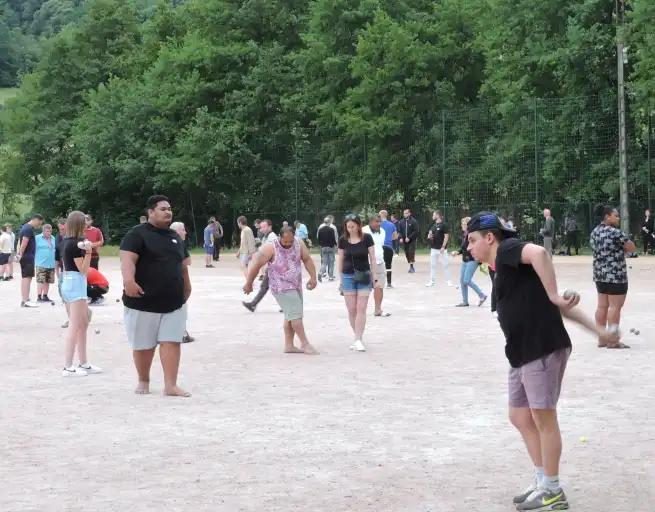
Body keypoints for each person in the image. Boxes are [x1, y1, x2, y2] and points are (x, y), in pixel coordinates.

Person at [466, 211, 619, 511]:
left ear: (489, 237)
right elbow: (557, 307)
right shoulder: (501, 267)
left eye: (472, 240)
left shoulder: (508, 249)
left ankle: (552, 490)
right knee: (520, 416)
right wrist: (597, 330)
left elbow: (540, 253)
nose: (469, 248)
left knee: (543, 419)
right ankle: (541, 479)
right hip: (521, 352)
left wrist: (553, 293)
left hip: (542, 347)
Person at [120, 195, 192, 397]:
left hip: (174, 300)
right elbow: (127, 259)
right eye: (163, 209)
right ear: (150, 212)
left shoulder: (175, 237)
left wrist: (187, 286)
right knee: (144, 345)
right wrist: (128, 281)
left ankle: (171, 385)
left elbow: (183, 265)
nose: (168, 212)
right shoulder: (137, 234)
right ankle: (143, 380)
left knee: (172, 341)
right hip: (143, 300)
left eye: (169, 208)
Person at [243, 226, 319, 354]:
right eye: (285, 242)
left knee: (290, 316)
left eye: (290, 241)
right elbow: (256, 265)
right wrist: (249, 283)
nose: (288, 244)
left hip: (295, 285)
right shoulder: (270, 247)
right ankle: (305, 343)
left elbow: (307, 259)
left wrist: (313, 277)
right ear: (280, 237)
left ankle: (289, 346)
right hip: (280, 287)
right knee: (295, 315)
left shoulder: (299, 243)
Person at [60, 211, 102, 377]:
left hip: (71, 282)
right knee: (75, 324)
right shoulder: (75, 243)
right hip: (75, 283)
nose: (87, 224)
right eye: (84, 222)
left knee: (83, 323)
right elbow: (83, 270)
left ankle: (83, 362)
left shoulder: (66, 241)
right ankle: (68, 366)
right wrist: (89, 252)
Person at [590, 206, 636, 349]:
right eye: (615, 215)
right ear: (607, 217)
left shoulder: (595, 232)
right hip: (616, 275)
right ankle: (612, 340)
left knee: (602, 306)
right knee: (615, 307)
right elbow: (631, 248)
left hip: (599, 274)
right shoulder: (616, 233)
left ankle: (602, 338)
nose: (618, 218)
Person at [337, 214, 378, 352]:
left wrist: (375, 276)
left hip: (364, 275)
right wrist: (341, 279)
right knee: (351, 309)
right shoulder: (343, 240)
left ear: (359, 225)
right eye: (348, 227)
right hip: (347, 276)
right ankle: (357, 336)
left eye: (353, 226)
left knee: (361, 308)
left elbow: (372, 258)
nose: (350, 229)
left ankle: (358, 339)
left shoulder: (367, 238)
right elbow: (340, 259)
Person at [242, 219, 278, 312]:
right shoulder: (266, 237)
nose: (261, 229)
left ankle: (253, 304)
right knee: (266, 286)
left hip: (276, 267)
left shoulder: (272, 237)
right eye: (261, 227)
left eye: (264, 227)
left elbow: (272, 251)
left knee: (270, 286)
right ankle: (253, 304)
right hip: (273, 266)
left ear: (270, 227)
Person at [451, 216, 487, 307]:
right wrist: (457, 252)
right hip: (465, 259)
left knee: (466, 280)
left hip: (473, 259)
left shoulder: (473, 235)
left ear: (468, 225)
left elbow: (476, 246)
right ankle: (465, 301)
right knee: (462, 281)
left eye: (463, 224)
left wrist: (479, 259)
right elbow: (463, 247)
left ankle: (482, 295)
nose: (461, 225)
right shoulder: (465, 234)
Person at [171, 221, 195, 344]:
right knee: (180, 307)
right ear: (176, 231)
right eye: (183, 229)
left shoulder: (165, 241)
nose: (185, 232)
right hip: (177, 280)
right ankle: (181, 333)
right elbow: (187, 261)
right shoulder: (178, 242)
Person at [363, 215, 390, 317]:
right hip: (365, 264)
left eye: (379, 222)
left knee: (380, 287)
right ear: (370, 222)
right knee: (363, 289)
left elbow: (380, 246)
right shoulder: (363, 231)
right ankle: (360, 310)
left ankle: (378, 309)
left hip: (380, 262)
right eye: (376, 222)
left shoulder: (382, 231)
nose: (378, 223)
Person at [17, 213, 44, 307]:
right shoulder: (28, 228)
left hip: (28, 256)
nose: (39, 225)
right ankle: (25, 300)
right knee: (27, 278)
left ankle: (26, 299)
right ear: (35, 219)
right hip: (27, 256)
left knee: (27, 277)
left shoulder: (26, 227)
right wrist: (20, 254)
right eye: (39, 223)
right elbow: (24, 242)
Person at [425, 210, 454, 287]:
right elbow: (430, 236)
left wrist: (443, 247)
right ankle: (432, 281)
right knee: (433, 265)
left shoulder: (444, 225)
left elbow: (446, 236)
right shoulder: (433, 226)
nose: (432, 216)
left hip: (442, 249)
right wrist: (429, 237)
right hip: (433, 249)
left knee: (445, 265)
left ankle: (449, 281)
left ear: (437, 215)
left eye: (433, 214)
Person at [35, 223, 57, 302]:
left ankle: (45, 296)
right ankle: (39, 296)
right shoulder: (37, 238)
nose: (49, 233)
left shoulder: (53, 238)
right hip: (41, 263)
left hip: (51, 263)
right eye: (47, 231)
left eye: (50, 231)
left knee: (48, 281)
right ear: (43, 231)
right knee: (41, 280)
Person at [379, 210, 397, 288]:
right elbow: (395, 236)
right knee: (388, 265)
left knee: (379, 264)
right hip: (389, 247)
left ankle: (378, 282)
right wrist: (389, 239)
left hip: (380, 247)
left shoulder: (378, 224)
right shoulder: (392, 225)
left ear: (381, 215)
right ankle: (389, 283)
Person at [317, 216, 338, 281]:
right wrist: (335, 245)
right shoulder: (331, 229)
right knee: (331, 262)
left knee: (324, 262)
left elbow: (319, 238)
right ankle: (330, 276)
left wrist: (321, 245)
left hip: (323, 247)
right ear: (329, 222)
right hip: (330, 247)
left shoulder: (320, 229)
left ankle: (320, 272)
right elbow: (333, 238)